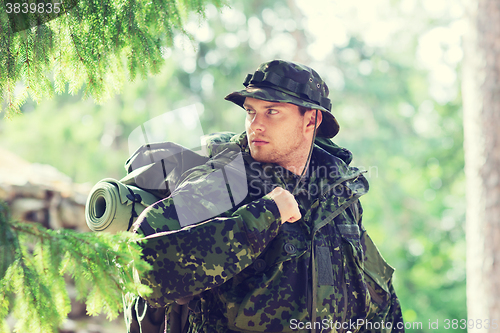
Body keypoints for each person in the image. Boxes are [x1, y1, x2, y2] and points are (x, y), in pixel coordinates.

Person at [127, 60, 405, 333]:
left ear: (311, 120)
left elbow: (377, 296)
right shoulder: (225, 179)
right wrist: (265, 215)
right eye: (250, 112)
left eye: (271, 112)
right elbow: (147, 266)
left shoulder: (337, 192)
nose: (255, 125)